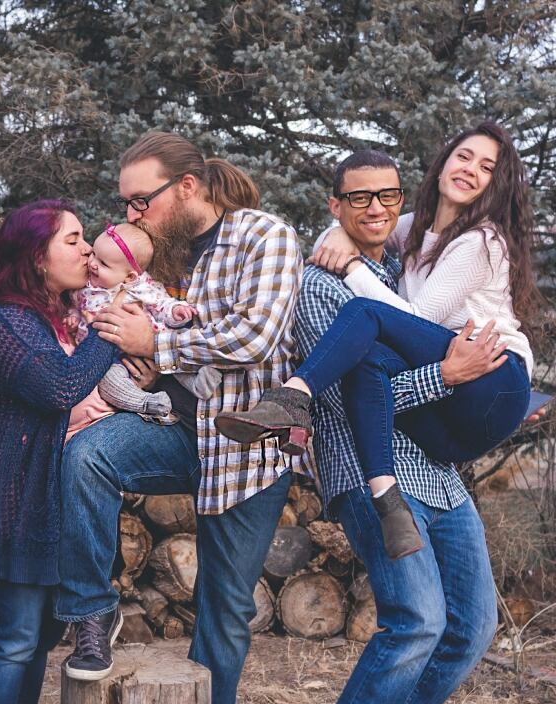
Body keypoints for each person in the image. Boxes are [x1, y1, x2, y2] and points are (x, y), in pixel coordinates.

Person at [57, 131, 302, 704]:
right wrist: (127, 370)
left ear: (187, 186)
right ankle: (93, 611)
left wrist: (157, 344)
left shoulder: (261, 235)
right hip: (172, 426)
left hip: (247, 445)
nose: (132, 214)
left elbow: (255, 337)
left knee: (223, 606)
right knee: (84, 456)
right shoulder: (152, 249)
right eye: (127, 204)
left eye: (142, 200)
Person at [217, 121, 537, 560]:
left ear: (493, 185)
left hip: (493, 376)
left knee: (365, 313)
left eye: (487, 167)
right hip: (449, 428)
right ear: (442, 163)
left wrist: (352, 270)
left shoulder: (481, 240)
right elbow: (367, 224)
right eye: (463, 157)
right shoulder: (415, 228)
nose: (471, 170)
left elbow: (416, 316)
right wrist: (335, 234)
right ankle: (386, 495)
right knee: (364, 359)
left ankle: (292, 397)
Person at [293, 149, 502, 704]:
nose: (376, 208)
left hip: (437, 474)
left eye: (387, 195)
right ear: (335, 205)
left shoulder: (401, 274)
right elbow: (341, 399)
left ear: (402, 201)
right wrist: (446, 375)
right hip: (370, 472)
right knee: (417, 623)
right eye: (358, 197)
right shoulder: (319, 288)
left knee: (473, 628)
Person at [0, 199, 122, 704]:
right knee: (17, 636)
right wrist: (111, 331)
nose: (87, 248)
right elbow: (59, 385)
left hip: (41, 502)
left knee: (37, 637)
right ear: (35, 256)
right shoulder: (5, 321)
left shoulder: (51, 319)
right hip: (10, 503)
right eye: (72, 239)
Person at [78, 221, 221, 416]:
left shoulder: (139, 287)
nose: (92, 263)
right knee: (109, 381)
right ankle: (146, 403)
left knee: (174, 354)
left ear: (129, 277)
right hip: (113, 359)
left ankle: (198, 382)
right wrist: (72, 319)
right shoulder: (85, 288)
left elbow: (160, 303)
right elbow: (77, 313)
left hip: (154, 342)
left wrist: (176, 311)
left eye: (103, 263)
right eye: (93, 253)